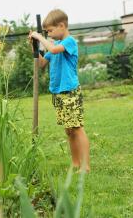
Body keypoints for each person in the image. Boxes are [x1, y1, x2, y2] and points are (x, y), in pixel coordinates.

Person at [29, 9, 90, 172]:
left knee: (77, 128)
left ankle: (86, 165)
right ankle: (76, 163)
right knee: (69, 130)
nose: (48, 35)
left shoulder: (69, 42)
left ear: (61, 26)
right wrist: (33, 45)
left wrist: (40, 36)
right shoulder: (54, 45)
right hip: (58, 92)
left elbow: (55, 50)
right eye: (46, 32)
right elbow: (42, 63)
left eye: (50, 31)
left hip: (70, 91)